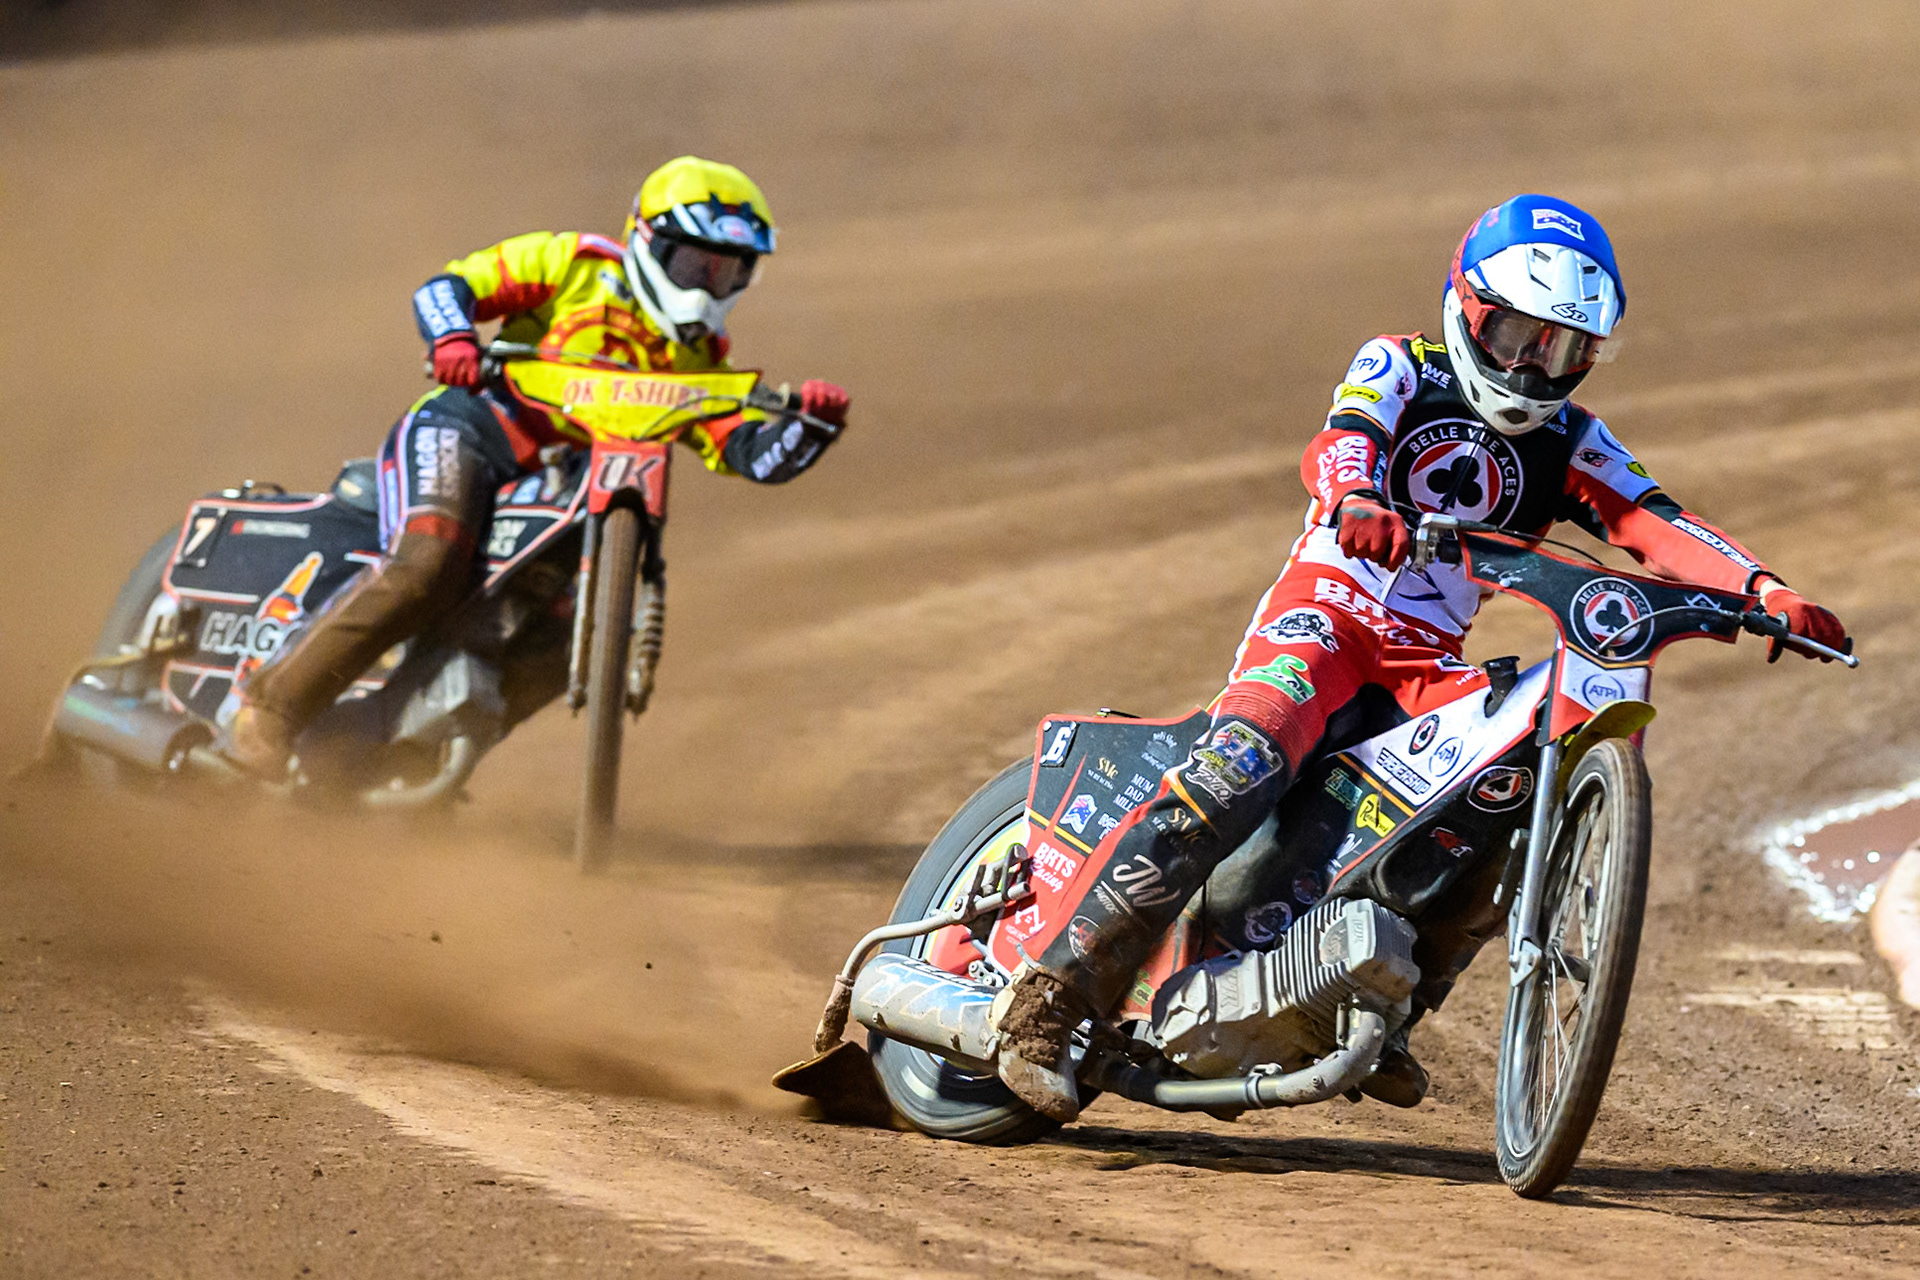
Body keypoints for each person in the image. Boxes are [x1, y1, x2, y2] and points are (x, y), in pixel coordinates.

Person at [990, 193, 1850, 1122]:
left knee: (1505, 788)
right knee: (1241, 761)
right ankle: (1048, 1001)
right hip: (1325, 619)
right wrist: (1358, 494)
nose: (1533, 365)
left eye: (1562, 349)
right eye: (1518, 334)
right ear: (1469, 307)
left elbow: (1652, 521)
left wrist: (1764, 592)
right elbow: (1343, 436)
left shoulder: (1574, 439)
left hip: (1425, 661)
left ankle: (1387, 1011)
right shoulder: (1400, 363)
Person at [220, 156, 850, 778]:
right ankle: (267, 713)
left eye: (728, 272)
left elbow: (749, 455)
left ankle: (394, 760)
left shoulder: (700, 361)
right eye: (694, 264)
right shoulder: (574, 264)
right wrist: (454, 340)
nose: (707, 287)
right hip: (469, 428)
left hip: (569, 489)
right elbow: (449, 288)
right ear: (648, 243)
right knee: (429, 564)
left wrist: (808, 430)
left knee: (575, 633)